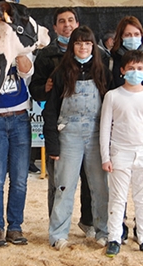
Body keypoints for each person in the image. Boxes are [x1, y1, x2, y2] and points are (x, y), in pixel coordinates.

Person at [43, 26, 111, 250]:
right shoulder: (61, 74)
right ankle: (58, 234)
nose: (83, 47)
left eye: (88, 43)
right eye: (79, 43)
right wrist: (53, 144)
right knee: (64, 186)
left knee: (100, 187)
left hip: (96, 134)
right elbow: (51, 111)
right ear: (72, 46)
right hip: (68, 134)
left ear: (94, 46)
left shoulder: (103, 72)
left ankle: (103, 231)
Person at [29, 7, 94, 235]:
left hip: (90, 132)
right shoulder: (47, 56)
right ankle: (56, 226)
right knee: (59, 183)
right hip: (60, 129)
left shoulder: (98, 56)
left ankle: (89, 221)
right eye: (61, 22)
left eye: (70, 20)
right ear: (55, 27)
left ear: (77, 24)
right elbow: (35, 89)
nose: (66, 25)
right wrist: (44, 88)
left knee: (90, 181)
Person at [99, 50, 143, 257]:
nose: (134, 72)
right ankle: (114, 238)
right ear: (122, 71)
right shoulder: (113, 96)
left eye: (138, 68)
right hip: (120, 152)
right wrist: (105, 157)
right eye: (130, 68)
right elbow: (104, 128)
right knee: (117, 198)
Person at [0, 54, 34, 247]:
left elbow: (27, 70)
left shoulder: (21, 47)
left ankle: (15, 227)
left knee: (20, 179)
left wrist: (17, 49)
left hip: (20, 117)